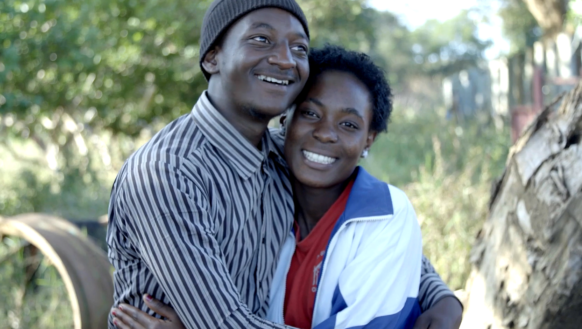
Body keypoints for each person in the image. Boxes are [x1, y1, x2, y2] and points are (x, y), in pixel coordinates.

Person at [107, 1, 462, 328]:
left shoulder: (281, 150)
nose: (284, 60)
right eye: (261, 39)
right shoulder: (168, 174)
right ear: (212, 57)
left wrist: (441, 297)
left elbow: (369, 226)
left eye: (299, 48)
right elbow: (226, 323)